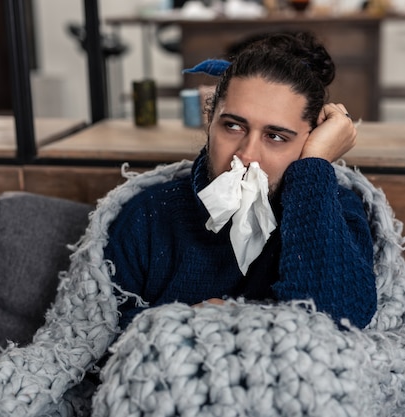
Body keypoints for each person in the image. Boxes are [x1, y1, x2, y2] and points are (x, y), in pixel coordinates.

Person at [104, 31, 377, 331]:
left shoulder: (336, 210)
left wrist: (313, 167)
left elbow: (338, 324)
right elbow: (97, 335)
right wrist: (184, 324)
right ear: (210, 120)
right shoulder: (148, 216)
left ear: (310, 141)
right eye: (233, 126)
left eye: (275, 137)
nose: (246, 155)